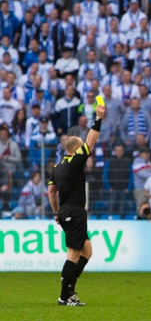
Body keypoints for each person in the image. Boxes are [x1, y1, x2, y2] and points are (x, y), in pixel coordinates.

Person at [47, 102, 106, 306]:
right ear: (74, 149)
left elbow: (51, 192)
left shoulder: (56, 168)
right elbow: (91, 141)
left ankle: (70, 288)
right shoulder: (73, 163)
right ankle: (65, 295)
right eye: (80, 147)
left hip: (65, 211)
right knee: (73, 254)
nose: (84, 150)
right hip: (75, 211)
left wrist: (56, 213)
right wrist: (98, 118)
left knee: (87, 251)